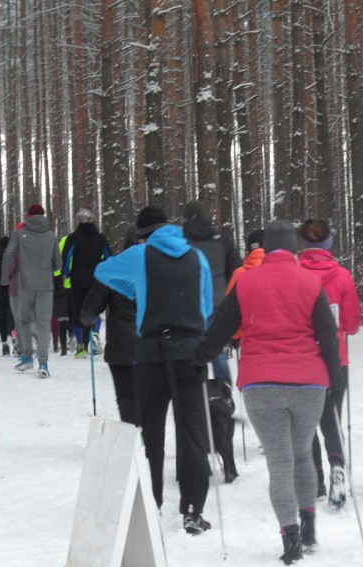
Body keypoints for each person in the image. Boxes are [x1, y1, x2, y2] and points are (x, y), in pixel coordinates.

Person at [194, 219, 342, 565]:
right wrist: (333, 380)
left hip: (261, 383)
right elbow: (327, 334)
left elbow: (221, 330)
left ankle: (289, 538)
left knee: (279, 461)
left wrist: (198, 358)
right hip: (308, 382)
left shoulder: (246, 281)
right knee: (303, 454)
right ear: (294, 248)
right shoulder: (310, 281)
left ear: (264, 248)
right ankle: (308, 524)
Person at [93, 207, 214, 535]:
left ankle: (151, 505)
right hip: (190, 352)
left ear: (143, 232)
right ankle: (193, 511)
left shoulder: (138, 254)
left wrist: (135, 289)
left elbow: (103, 272)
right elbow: (206, 309)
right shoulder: (197, 258)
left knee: (151, 434)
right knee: (193, 436)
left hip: (150, 353)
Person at [298, 219, 361, 509]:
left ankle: (315, 482)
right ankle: (337, 466)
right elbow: (351, 324)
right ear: (328, 244)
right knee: (331, 418)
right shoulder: (342, 276)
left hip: (303, 359)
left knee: (306, 423)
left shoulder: (295, 275)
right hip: (336, 359)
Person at [80, 226, 139, 425]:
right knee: (148, 394)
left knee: (125, 396)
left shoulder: (114, 270)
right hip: (150, 344)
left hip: (120, 346)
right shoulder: (157, 269)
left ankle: (133, 432)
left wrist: (87, 319)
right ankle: (147, 435)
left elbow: (90, 309)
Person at [182, 199, 243, 386]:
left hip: (189, 302)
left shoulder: (180, 241)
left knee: (192, 347)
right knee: (216, 348)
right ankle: (222, 391)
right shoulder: (222, 241)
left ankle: (196, 389)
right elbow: (236, 270)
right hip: (218, 301)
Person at [0, 203, 62, 378]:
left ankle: (27, 357)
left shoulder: (19, 234)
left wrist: (5, 279)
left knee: (24, 321)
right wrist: (49, 268)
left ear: (28, 216)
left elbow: (8, 254)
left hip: (25, 285)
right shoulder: (51, 236)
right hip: (46, 287)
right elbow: (58, 263)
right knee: (43, 325)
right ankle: (43, 363)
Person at [62, 209, 111, 357]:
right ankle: (95, 335)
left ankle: (81, 346)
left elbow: (67, 256)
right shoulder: (101, 238)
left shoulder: (73, 238)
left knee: (77, 312)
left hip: (78, 279)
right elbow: (108, 256)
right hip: (96, 279)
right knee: (94, 309)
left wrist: (65, 274)